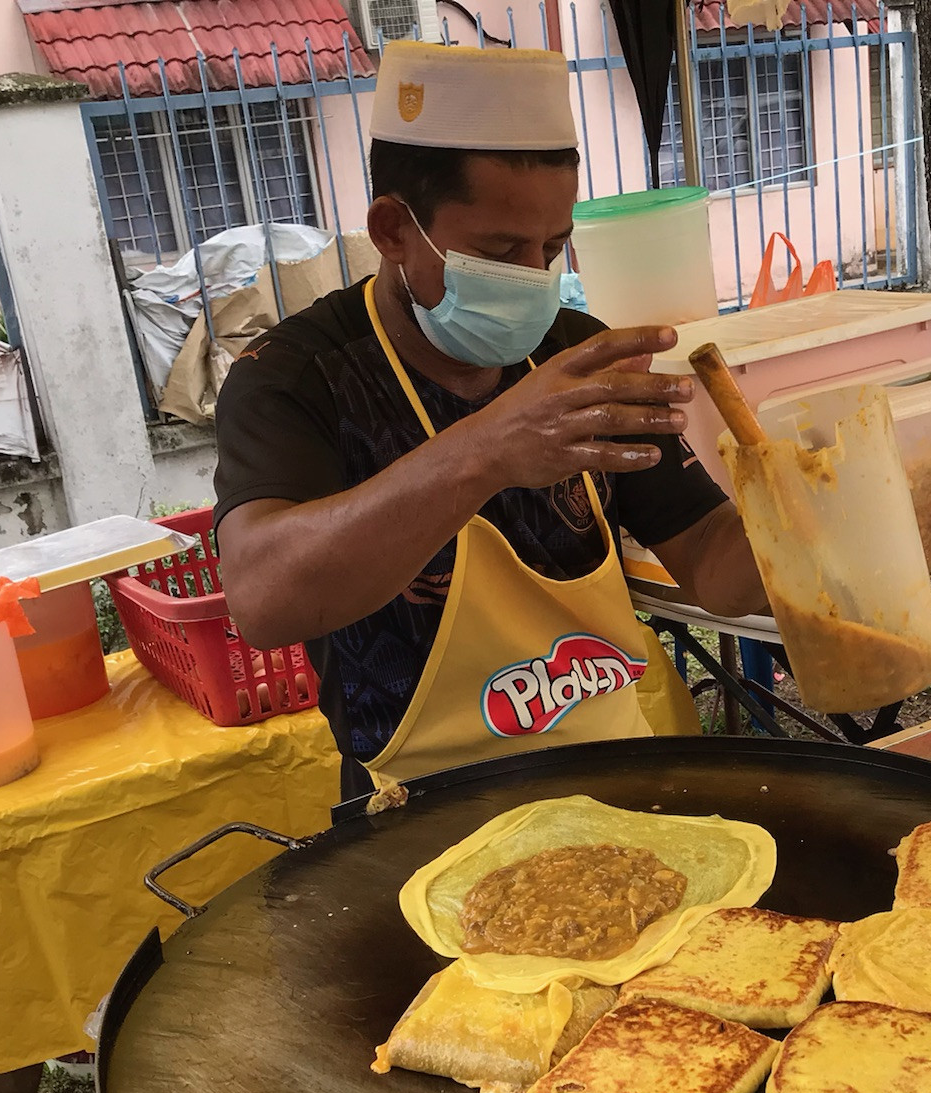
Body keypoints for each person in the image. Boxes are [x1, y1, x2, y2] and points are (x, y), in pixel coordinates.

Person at [212, 43, 764, 797]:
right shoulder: (295, 380)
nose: (535, 279)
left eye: (551, 247)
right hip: (419, 811)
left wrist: (812, 510)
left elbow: (713, 566)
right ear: (393, 230)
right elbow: (263, 601)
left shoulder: (575, 354)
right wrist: (489, 450)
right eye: (500, 251)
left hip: (620, 780)